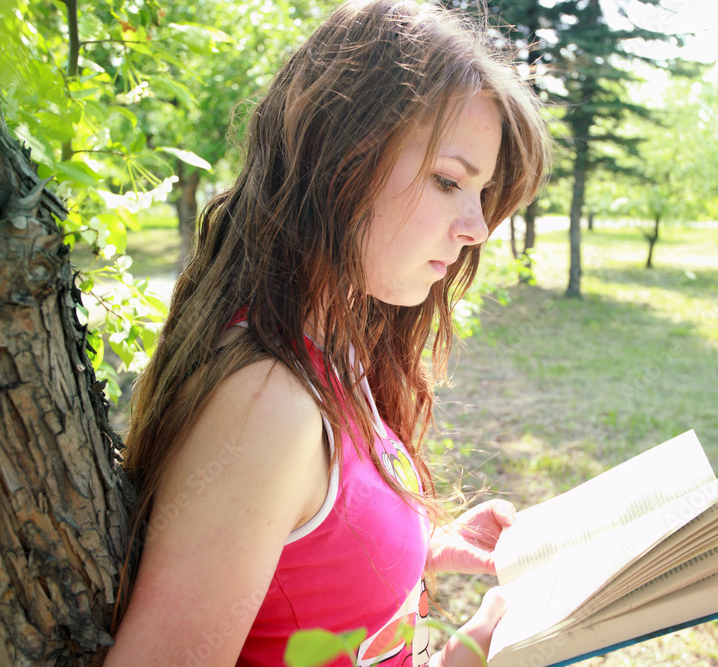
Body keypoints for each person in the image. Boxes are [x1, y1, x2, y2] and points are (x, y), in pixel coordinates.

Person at [104, 0, 550, 664]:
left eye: (479, 193)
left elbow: (299, 570)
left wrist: (421, 544)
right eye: (449, 180)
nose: (476, 227)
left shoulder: (330, 348)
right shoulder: (266, 407)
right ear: (341, 158)